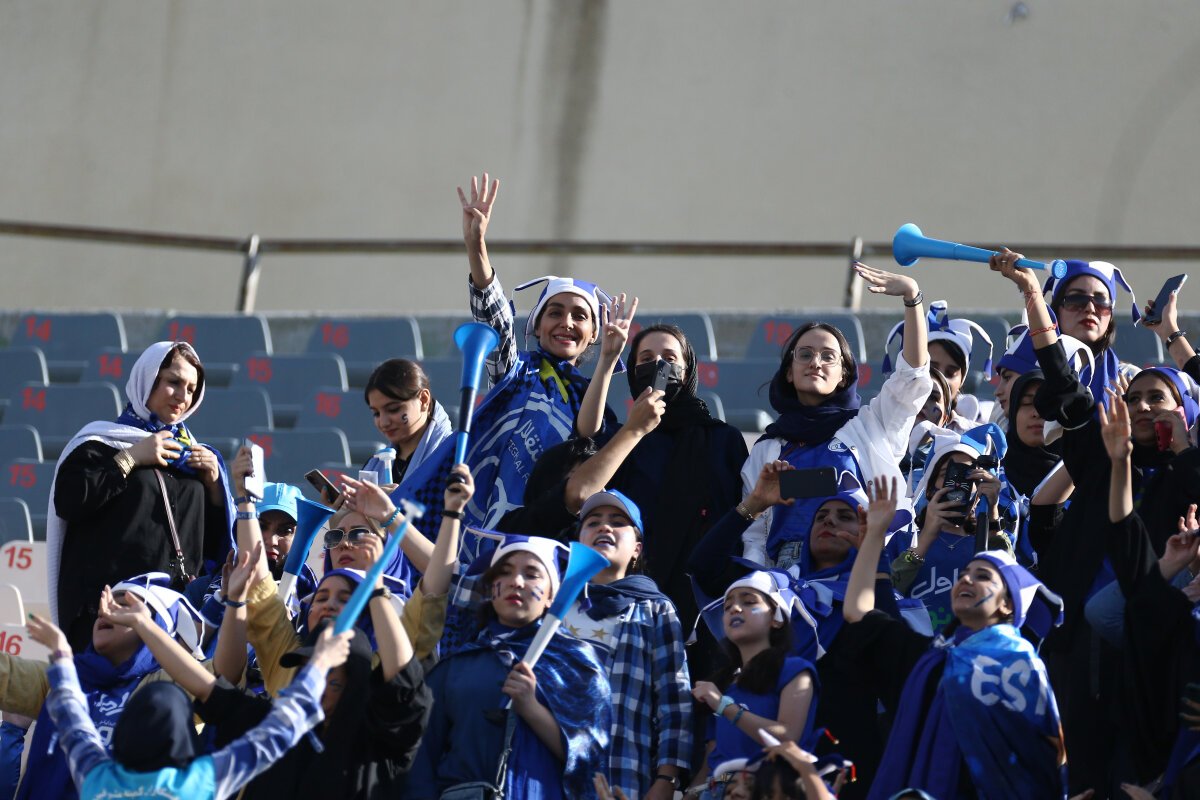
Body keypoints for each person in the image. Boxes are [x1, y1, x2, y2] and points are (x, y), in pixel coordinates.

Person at [991, 249, 1200, 794]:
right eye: (1135, 398)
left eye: (1159, 398)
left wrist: (1173, 338)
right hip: (1082, 643)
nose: (1144, 407)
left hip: (1164, 650)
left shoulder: (1189, 477)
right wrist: (1032, 294)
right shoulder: (1100, 452)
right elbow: (1062, 380)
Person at [391, 173, 631, 555]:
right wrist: (476, 245)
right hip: (475, 523)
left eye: (580, 316)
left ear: (593, 335)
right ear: (536, 324)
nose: (566, 323)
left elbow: (590, 431)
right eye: (555, 312)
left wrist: (607, 361)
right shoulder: (516, 373)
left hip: (540, 537)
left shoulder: (593, 398)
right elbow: (495, 319)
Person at [842, 477, 1068, 800]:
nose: (966, 580)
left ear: (1008, 603)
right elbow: (857, 612)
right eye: (963, 574)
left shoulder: (1020, 666)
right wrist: (874, 539)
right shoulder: (932, 660)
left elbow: (1042, 762)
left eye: (982, 576)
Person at [27, 611, 350, 800]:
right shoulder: (200, 782)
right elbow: (278, 732)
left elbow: (73, 721)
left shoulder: (97, 778)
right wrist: (320, 666)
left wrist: (62, 655)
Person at [739, 262, 932, 567]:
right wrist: (757, 582)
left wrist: (912, 298)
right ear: (789, 372)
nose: (815, 362)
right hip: (788, 574)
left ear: (844, 375)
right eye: (805, 354)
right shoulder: (767, 449)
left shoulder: (871, 425)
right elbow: (754, 536)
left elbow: (912, 378)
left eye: (828, 356)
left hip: (859, 564)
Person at [48, 341, 234, 650]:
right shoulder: (100, 443)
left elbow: (214, 548)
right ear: (147, 379)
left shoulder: (192, 458)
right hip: (106, 614)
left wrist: (215, 488)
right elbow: (70, 501)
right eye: (174, 382)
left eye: (191, 389)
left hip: (173, 615)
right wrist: (131, 458)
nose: (182, 396)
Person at [570, 323, 748, 643]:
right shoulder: (620, 439)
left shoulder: (723, 440)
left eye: (670, 357)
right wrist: (634, 428)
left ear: (688, 370)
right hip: (629, 602)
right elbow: (581, 490)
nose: (659, 366)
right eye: (647, 358)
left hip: (706, 605)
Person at [408, 536, 612, 799]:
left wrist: (531, 708)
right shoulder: (455, 667)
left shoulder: (577, 664)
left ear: (552, 595)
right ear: (490, 587)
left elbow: (591, 765)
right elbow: (421, 763)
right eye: (504, 572)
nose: (516, 581)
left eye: (532, 574)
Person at [0, 574, 208, 800]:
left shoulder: (166, 692)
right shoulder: (64, 676)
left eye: (124, 606)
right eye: (105, 605)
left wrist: (233, 602)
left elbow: (221, 680)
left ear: (157, 627)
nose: (106, 611)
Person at [561, 489, 691, 800]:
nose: (604, 527)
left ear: (637, 548)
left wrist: (666, 779)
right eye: (593, 522)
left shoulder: (655, 609)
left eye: (618, 522)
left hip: (621, 774)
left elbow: (675, 700)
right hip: (546, 773)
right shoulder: (554, 602)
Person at [689, 570, 821, 800]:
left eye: (749, 602)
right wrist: (692, 793)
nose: (735, 609)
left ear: (776, 618)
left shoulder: (796, 670)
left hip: (766, 789)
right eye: (727, 606)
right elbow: (714, 756)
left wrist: (724, 706)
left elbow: (788, 737)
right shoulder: (723, 682)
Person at [889, 424, 1013, 632]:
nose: (956, 485)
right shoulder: (902, 541)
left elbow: (1010, 589)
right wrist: (925, 539)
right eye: (947, 475)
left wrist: (991, 510)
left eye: (968, 476)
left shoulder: (989, 541)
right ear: (930, 488)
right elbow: (884, 596)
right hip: (915, 647)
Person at [883, 300, 993, 432]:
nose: (940, 378)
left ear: (961, 383)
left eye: (950, 373)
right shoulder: (880, 425)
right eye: (931, 369)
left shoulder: (975, 435)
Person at [361, 358, 453, 485]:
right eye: (376, 413)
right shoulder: (374, 466)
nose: (383, 422)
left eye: (393, 409)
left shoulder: (455, 458)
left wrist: (398, 497)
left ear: (423, 400)